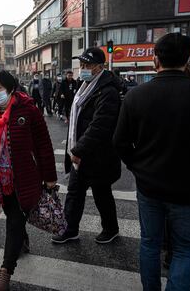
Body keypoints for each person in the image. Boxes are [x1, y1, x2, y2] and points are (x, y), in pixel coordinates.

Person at [113, 33, 190, 290]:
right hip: (187, 188)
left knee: (150, 243)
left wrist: (139, 167)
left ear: (155, 60)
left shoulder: (136, 96)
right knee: (185, 248)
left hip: (149, 186)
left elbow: (119, 143)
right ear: (188, 60)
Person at [0, 70, 57, 291]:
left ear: (11, 88)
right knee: (14, 219)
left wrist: (50, 178)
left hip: (23, 179)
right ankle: (21, 239)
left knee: (14, 221)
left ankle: (5, 272)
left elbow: (43, 145)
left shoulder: (28, 110)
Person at [52, 47, 121, 245]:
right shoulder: (84, 87)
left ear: (100, 67)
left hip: (99, 155)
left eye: (87, 65)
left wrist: (78, 150)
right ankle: (70, 229)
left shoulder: (108, 92)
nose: (83, 69)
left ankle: (111, 228)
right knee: (74, 192)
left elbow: (100, 125)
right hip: (81, 153)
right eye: (81, 65)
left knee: (102, 194)